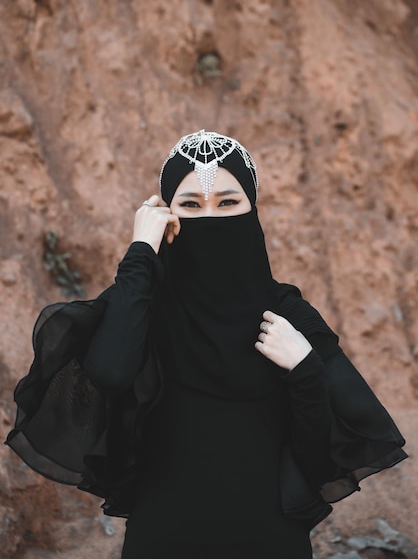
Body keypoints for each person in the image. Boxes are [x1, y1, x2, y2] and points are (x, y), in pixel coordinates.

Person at [6, 130, 407, 559]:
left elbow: (316, 462)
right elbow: (110, 370)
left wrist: (305, 366)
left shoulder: (286, 314)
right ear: (168, 215)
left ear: (253, 211)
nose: (211, 217)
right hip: (162, 542)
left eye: (228, 203)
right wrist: (141, 249)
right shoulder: (141, 306)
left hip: (269, 544)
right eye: (191, 205)